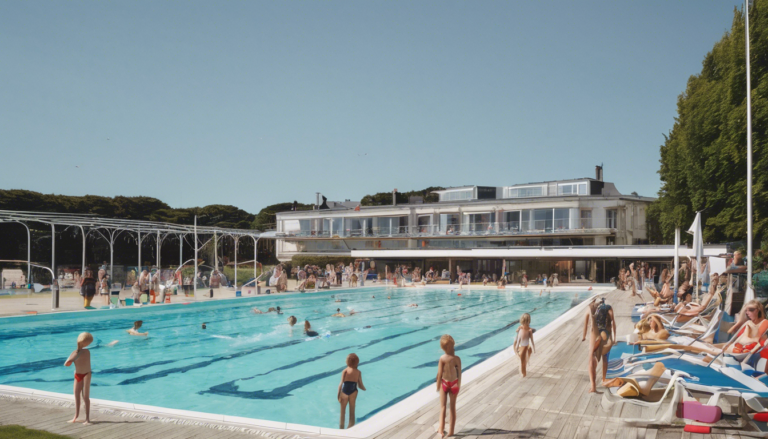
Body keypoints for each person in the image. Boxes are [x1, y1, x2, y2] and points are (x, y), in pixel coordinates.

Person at [582, 298, 615, 392]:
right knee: (605, 357)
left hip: (595, 334)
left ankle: (593, 386)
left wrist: (583, 336)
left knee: (591, 360)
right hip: (605, 334)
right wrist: (612, 338)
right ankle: (604, 379)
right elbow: (612, 322)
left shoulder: (589, 309)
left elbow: (585, 324)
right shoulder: (608, 309)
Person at [64, 332, 93, 425]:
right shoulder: (75, 352)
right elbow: (67, 364)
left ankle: (87, 418)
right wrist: (71, 360)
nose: (89, 344)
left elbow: (82, 360)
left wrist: (74, 357)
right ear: (85, 342)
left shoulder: (86, 352)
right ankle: (76, 416)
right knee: (76, 395)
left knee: (85, 397)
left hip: (86, 374)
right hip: (78, 375)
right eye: (89, 342)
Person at [436, 335, 461, 439]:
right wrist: (458, 386)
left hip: (445, 384)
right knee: (452, 408)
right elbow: (459, 374)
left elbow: (439, 374)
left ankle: (442, 430)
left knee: (443, 407)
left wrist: (438, 386)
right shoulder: (456, 359)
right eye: (453, 346)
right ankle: (449, 431)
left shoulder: (442, 358)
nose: (454, 348)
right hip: (454, 384)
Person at [337, 353, 366, 429]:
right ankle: (351, 427)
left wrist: (338, 395)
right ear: (357, 362)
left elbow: (341, 383)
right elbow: (360, 385)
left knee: (342, 412)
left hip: (344, 392)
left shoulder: (345, 371)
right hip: (353, 391)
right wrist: (364, 388)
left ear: (347, 362)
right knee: (352, 411)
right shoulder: (358, 372)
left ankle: (341, 428)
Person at [514, 313, 535, 377]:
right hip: (524, 346)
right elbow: (518, 339)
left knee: (523, 362)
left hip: (524, 347)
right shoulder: (523, 328)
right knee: (523, 362)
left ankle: (524, 374)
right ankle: (524, 373)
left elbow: (518, 340)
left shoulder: (526, 329)